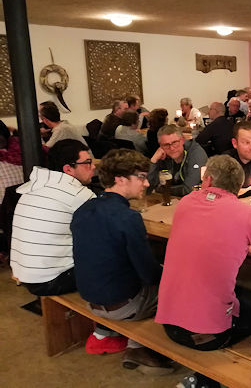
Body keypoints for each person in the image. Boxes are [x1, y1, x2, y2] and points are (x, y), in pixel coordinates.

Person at [156, 155, 251, 388]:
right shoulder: (245, 214)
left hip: (169, 326)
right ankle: (209, 380)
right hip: (208, 338)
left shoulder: (185, 203)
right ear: (238, 186)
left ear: (207, 180)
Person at [71, 149, 173, 374]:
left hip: (90, 300)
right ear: (120, 179)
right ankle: (144, 346)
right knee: (181, 284)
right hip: (122, 306)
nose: (146, 183)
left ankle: (123, 340)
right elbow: (149, 275)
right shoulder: (128, 218)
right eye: (141, 177)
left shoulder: (83, 210)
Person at [10, 140, 95, 295]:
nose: (94, 167)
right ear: (68, 169)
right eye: (88, 163)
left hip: (25, 273)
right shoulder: (77, 193)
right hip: (52, 279)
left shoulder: (33, 187)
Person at [148, 124, 208, 196]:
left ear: (182, 140)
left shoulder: (196, 154)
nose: (171, 148)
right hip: (171, 199)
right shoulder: (162, 155)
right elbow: (148, 186)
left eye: (174, 142)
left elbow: (189, 189)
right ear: (161, 146)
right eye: (166, 145)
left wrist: (160, 190)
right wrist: (153, 161)